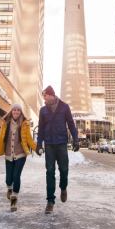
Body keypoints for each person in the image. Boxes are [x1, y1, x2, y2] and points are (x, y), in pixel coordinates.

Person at [36, 85, 79, 214]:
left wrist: (76, 140)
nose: (44, 98)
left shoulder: (64, 107)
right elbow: (41, 128)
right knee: (50, 172)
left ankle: (63, 188)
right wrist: (39, 144)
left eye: (45, 96)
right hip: (49, 144)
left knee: (64, 169)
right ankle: (50, 201)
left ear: (51, 95)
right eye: (43, 96)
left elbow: (71, 124)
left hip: (61, 144)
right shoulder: (43, 110)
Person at [0, 103, 36, 212]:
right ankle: (9, 187)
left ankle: (14, 200)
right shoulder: (5, 124)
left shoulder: (25, 124)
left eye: (18, 110)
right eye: (14, 110)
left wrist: (37, 148)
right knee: (8, 179)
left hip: (21, 155)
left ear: (21, 112)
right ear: (11, 112)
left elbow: (29, 140)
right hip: (8, 155)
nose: (16, 112)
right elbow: (0, 141)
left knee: (16, 176)